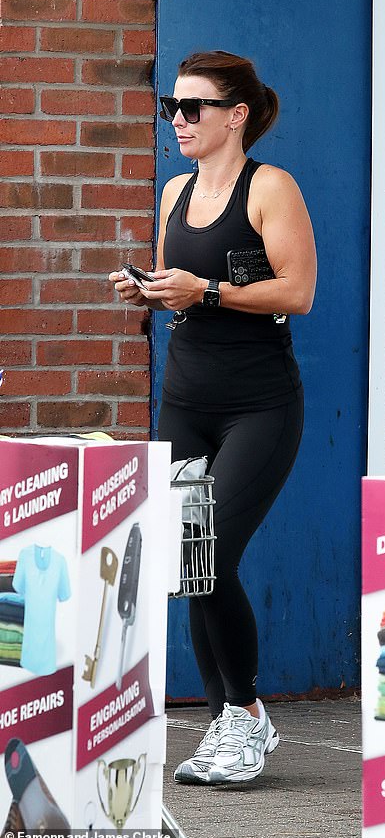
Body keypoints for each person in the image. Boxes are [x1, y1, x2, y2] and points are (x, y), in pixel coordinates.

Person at [109, 50, 316, 785]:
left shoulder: (271, 188)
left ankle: (245, 717)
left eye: (193, 107)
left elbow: (297, 292)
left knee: (211, 553)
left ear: (236, 116)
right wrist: (151, 291)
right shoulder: (174, 191)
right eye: (173, 105)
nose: (179, 120)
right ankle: (232, 721)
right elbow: (181, 294)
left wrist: (208, 291)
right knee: (187, 565)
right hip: (188, 400)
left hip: (259, 405)